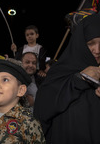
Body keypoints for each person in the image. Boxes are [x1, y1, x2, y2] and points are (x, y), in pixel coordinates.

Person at [34, 14, 100, 144]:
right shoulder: (60, 71)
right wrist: (78, 79)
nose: (97, 50)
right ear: (79, 43)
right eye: (90, 43)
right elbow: (42, 110)